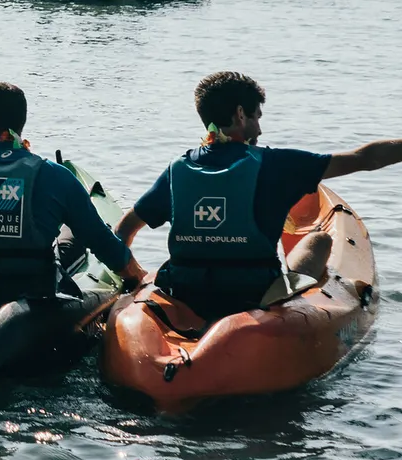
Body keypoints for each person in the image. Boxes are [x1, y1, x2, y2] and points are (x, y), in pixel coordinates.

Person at [114, 71, 402, 322]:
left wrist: (131, 277)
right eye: (257, 117)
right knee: (320, 239)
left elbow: (124, 229)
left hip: (185, 291)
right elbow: (365, 158)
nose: (261, 129)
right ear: (240, 114)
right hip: (253, 293)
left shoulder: (178, 170)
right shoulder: (277, 164)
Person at [0, 82, 145, 325]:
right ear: (21, 121)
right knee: (69, 236)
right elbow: (103, 243)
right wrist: (138, 278)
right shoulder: (56, 176)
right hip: (31, 306)